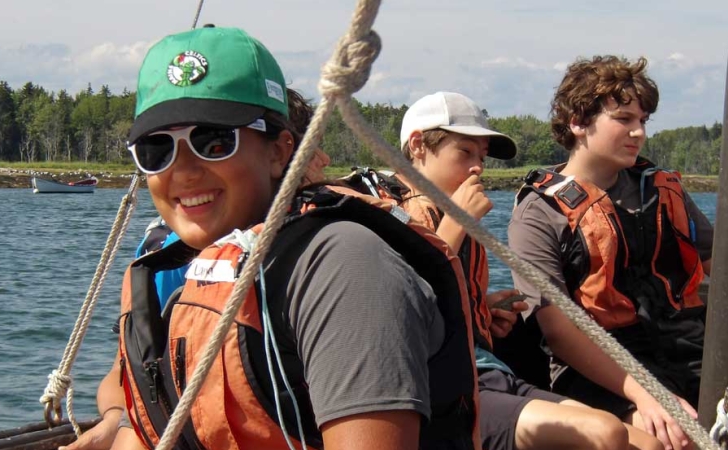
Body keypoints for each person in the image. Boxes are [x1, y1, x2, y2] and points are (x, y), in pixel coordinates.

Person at [100, 26, 481, 450]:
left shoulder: (345, 269)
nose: (184, 171)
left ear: (279, 152)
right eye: (157, 149)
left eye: (213, 141)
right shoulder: (182, 269)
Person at [508, 55, 728, 450]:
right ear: (578, 122)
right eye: (624, 119)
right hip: (608, 376)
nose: (638, 133)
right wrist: (647, 395)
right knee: (671, 442)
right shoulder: (538, 215)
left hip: (693, 357)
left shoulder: (662, 191)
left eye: (643, 121)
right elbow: (561, 334)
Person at [59, 88, 328, 450]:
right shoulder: (171, 262)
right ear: (285, 154)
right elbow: (126, 374)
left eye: (213, 143)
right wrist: (116, 420)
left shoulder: (326, 261)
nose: (324, 160)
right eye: (158, 152)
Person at [391, 91, 661, 450]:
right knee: (604, 434)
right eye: (465, 152)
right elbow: (399, 311)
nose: (477, 168)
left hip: (486, 374)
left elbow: (441, 307)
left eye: (481, 156)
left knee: (647, 445)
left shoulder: (448, 213)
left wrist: (482, 309)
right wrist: (457, 225)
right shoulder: (389, 216)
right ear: (418, 145)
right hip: (441, 389)